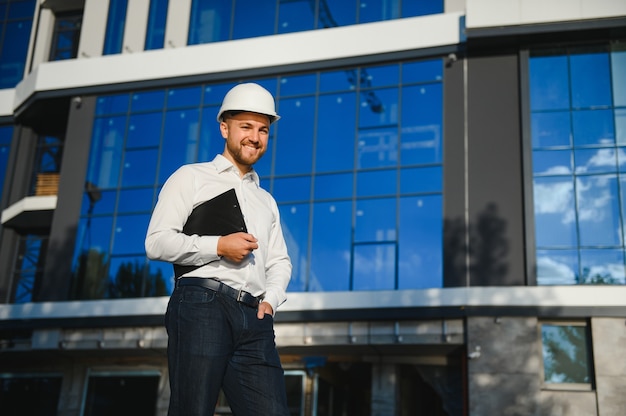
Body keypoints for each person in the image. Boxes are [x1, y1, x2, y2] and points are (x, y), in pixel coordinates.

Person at [145, 83, 292, 416]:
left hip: (255, 318)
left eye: (263, 130)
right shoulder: (191, 177)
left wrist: (270, 301)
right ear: (225, 127)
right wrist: (219, 246)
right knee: (193, 409)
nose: (255, 137)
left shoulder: (266, 200)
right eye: (246, 127)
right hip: (202, 305)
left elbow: (280, 261)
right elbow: (156, 242)